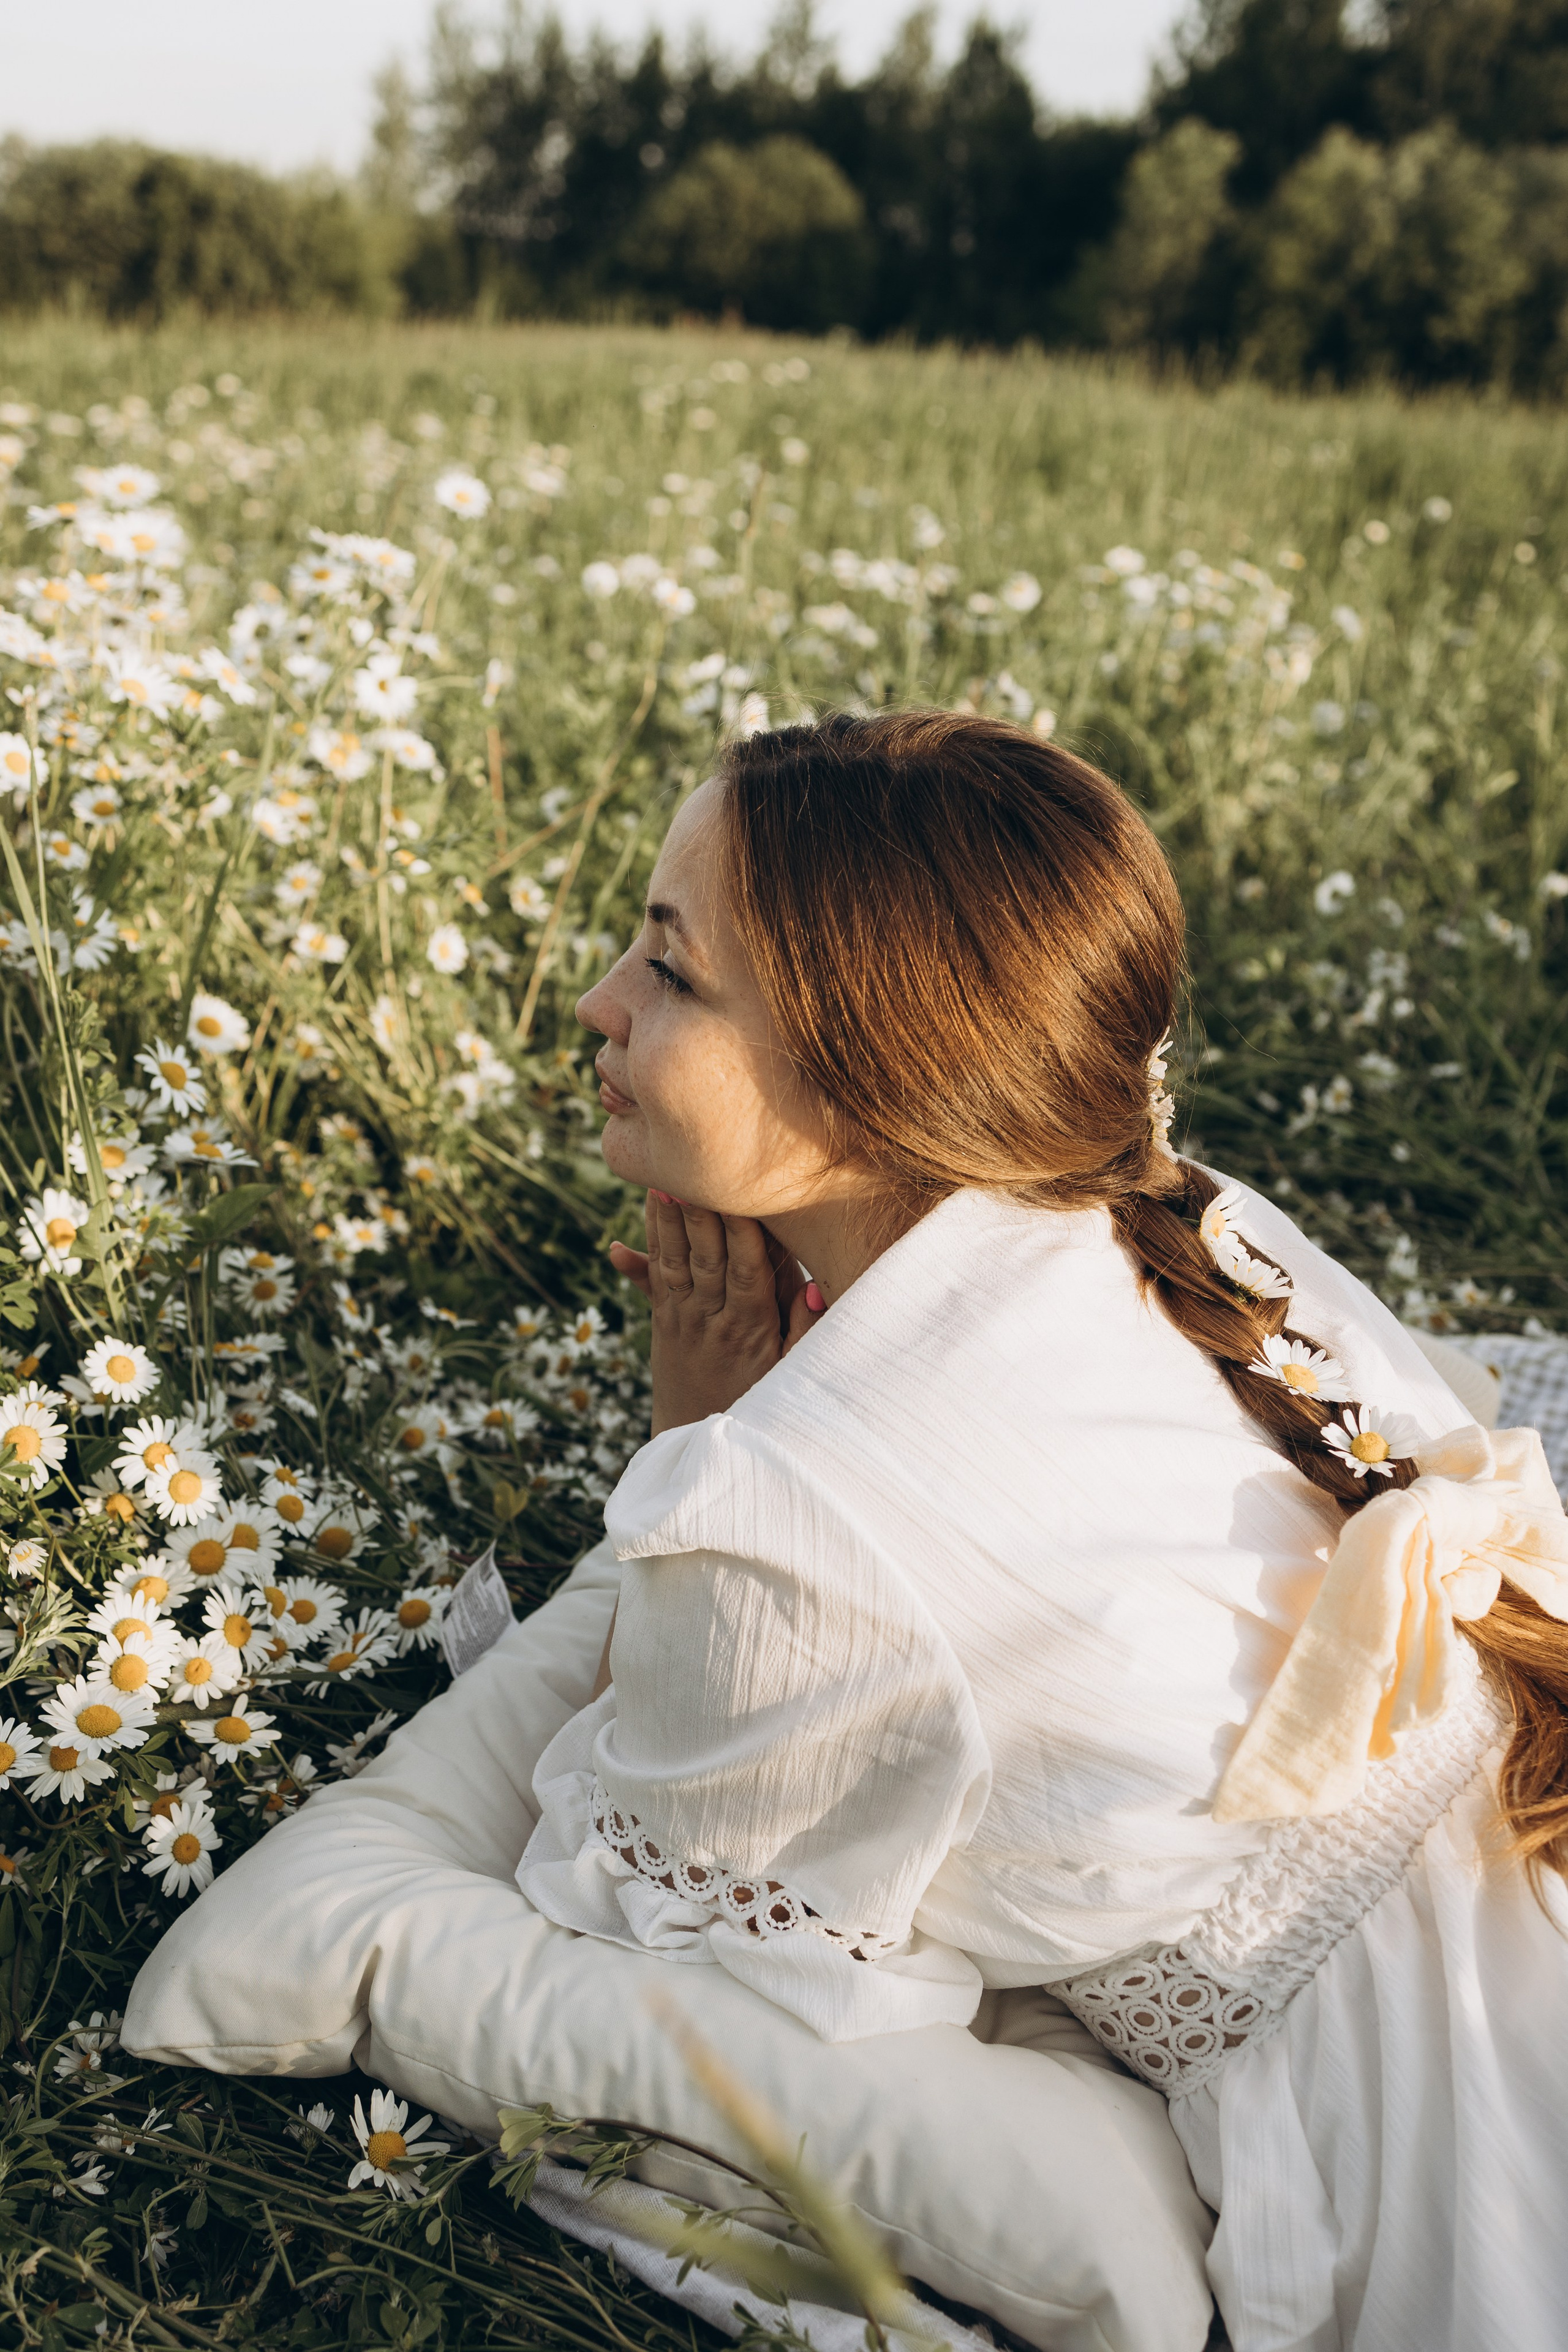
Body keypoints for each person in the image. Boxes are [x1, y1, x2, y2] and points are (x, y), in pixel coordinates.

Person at [514, 709, 1568, 2352]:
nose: (596, 1006)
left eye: (674, 973)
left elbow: (633, 1889)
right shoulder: (1180, 1215)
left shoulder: (792, 1508)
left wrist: (704, 1437)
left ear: (880, 1076)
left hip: (1450, 2124)